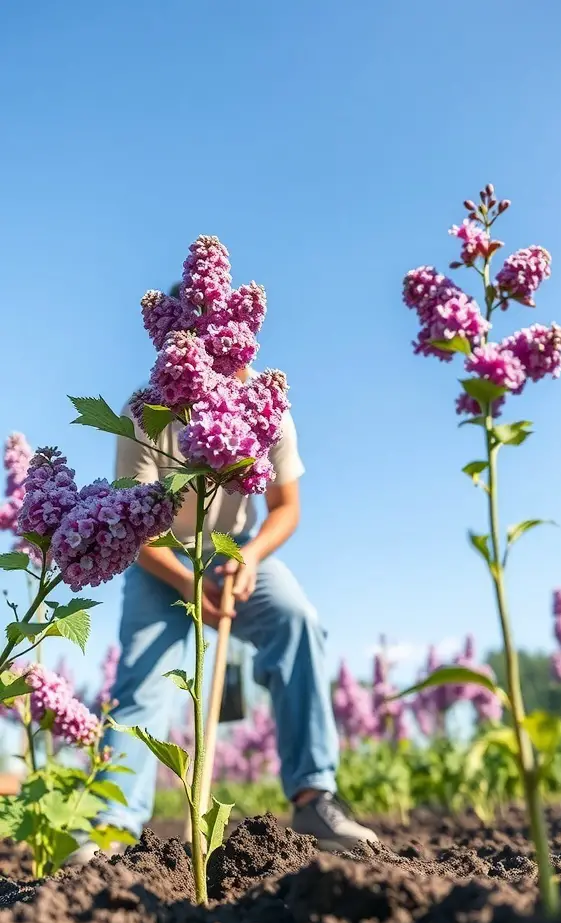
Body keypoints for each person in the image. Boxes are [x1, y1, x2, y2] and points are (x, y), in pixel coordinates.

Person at [72, 316, 377, 861]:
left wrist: (251, 558)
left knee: (296, 622)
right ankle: (113, 825)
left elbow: (286, 508)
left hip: (234, 551)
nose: (219, 365)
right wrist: (192, 591)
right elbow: (133, 527)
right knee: (142, 680)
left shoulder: (265, 408)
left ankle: (315, 796)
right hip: (160, 556)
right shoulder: (146, 413)